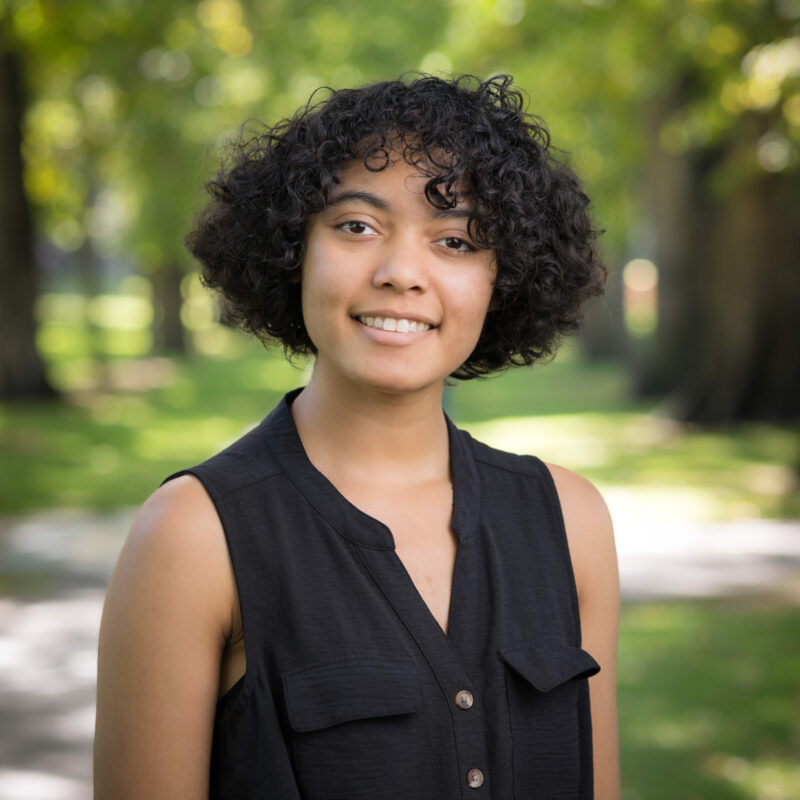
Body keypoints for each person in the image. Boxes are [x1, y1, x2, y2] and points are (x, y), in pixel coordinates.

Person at [94, 73, 620, 800]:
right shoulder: (191, 536)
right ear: (293, 249)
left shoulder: (572, 522)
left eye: (457, 239)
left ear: (505, 275)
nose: (402, 272)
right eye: (356, 226)